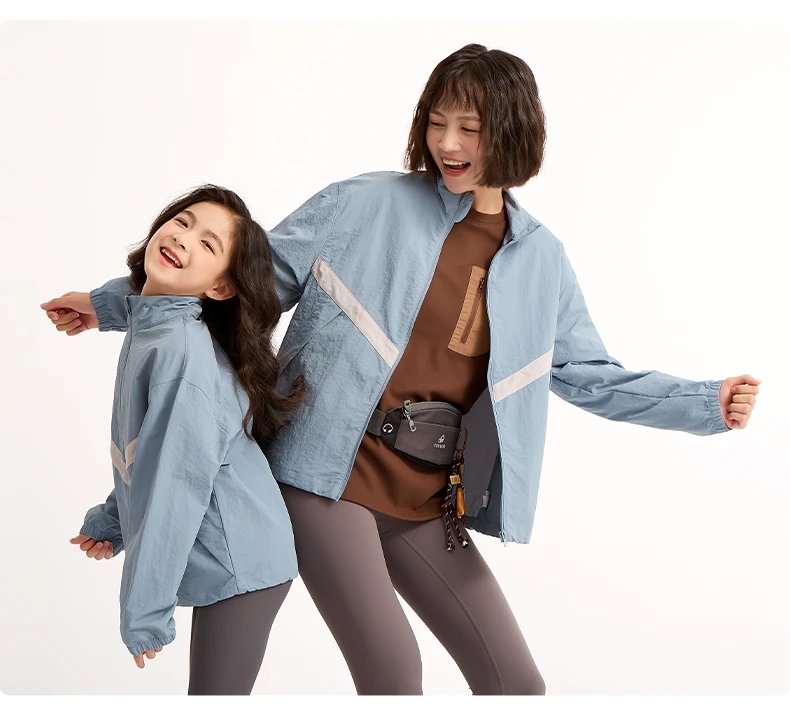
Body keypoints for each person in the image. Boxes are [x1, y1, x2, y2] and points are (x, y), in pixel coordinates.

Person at [42, 45, 760, 695]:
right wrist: (110, 304)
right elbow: (244, 281)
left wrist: (704, 403)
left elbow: (590, 374)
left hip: (425, 498)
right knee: (393, 672)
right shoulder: (365, 203)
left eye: (470, 128)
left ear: (513, 133)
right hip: (324, 478)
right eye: (437, 122)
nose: (447, 143)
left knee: (516, 683)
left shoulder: (542, 260)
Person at [43, 186, 303, 695]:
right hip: (228, 550)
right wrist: (114, 520)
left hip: (242, 561)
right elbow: (145, 451)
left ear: (221, 287)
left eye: (208, 244)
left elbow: (172, 490)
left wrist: (145, 611)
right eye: (183, 222)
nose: (184, 239)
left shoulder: (181, 357)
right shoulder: (154, 327)